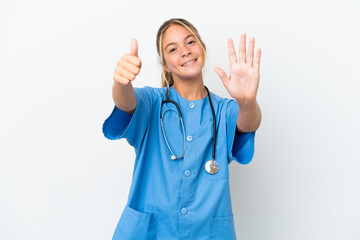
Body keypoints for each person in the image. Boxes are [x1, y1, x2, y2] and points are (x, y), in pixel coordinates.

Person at [102, 18, 262, 240]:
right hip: (150, 233)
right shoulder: (152, 102)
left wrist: (246, 102)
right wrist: (121, 83)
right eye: (173, 49)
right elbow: (126, 102)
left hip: (207, 233)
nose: (185, 51)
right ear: (165, 64)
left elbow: (249, 122)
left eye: (190, 42)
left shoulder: (225, 110)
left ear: (202, 49)